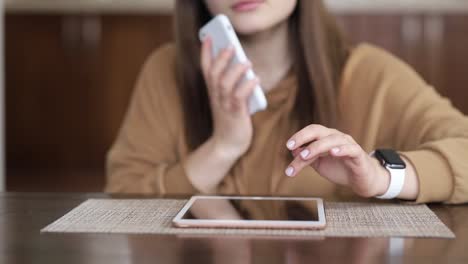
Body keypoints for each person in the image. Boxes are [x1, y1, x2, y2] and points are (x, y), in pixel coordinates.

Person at [105, 0, 468, 204]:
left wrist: (380, 176)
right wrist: (223, 147)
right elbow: (122, 195)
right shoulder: (166, 71)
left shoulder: (369, 73)